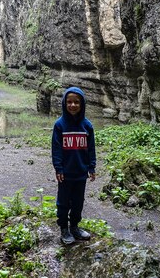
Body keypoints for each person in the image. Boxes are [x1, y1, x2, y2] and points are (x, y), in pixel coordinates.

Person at [51, 86, 96, 245]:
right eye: (69, 102)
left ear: (82, 104)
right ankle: (64, 228)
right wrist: (59, 168)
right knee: (63, 202)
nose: (73, 105)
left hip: (81, 173)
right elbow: (56, 149)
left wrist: (92, 167)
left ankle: (75, 227)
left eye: (77, 102)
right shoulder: (59, 125)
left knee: (78, 202)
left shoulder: (87, 126)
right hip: (65, 174)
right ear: (64, 103)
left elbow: (91, 149)